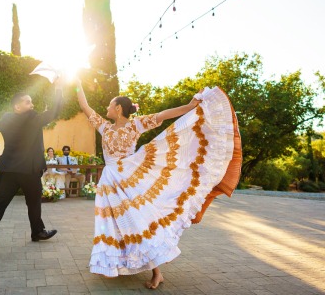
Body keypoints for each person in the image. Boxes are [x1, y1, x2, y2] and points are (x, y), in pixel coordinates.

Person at [75, 78, 241, 289]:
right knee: (114, 223)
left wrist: (190, 107)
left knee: (138, 220)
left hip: (129, 178)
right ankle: (117, 262)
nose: (106, 107)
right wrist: (77, 82)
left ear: (118, 108)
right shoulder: (104, 128)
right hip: (109, 182)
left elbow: (164, 115)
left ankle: (157, 272)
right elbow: (84, 105)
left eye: (110, 104)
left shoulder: (135, 125)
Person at [0, 78, 65, 257]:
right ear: (18, 107)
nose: (32, 104)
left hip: (10, 171)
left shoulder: (6, 119)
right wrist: (58, 89)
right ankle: (38, 232)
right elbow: (54, 112)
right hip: (29, 171)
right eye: (28, 102)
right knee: (33, 203)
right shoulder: (33, 118)